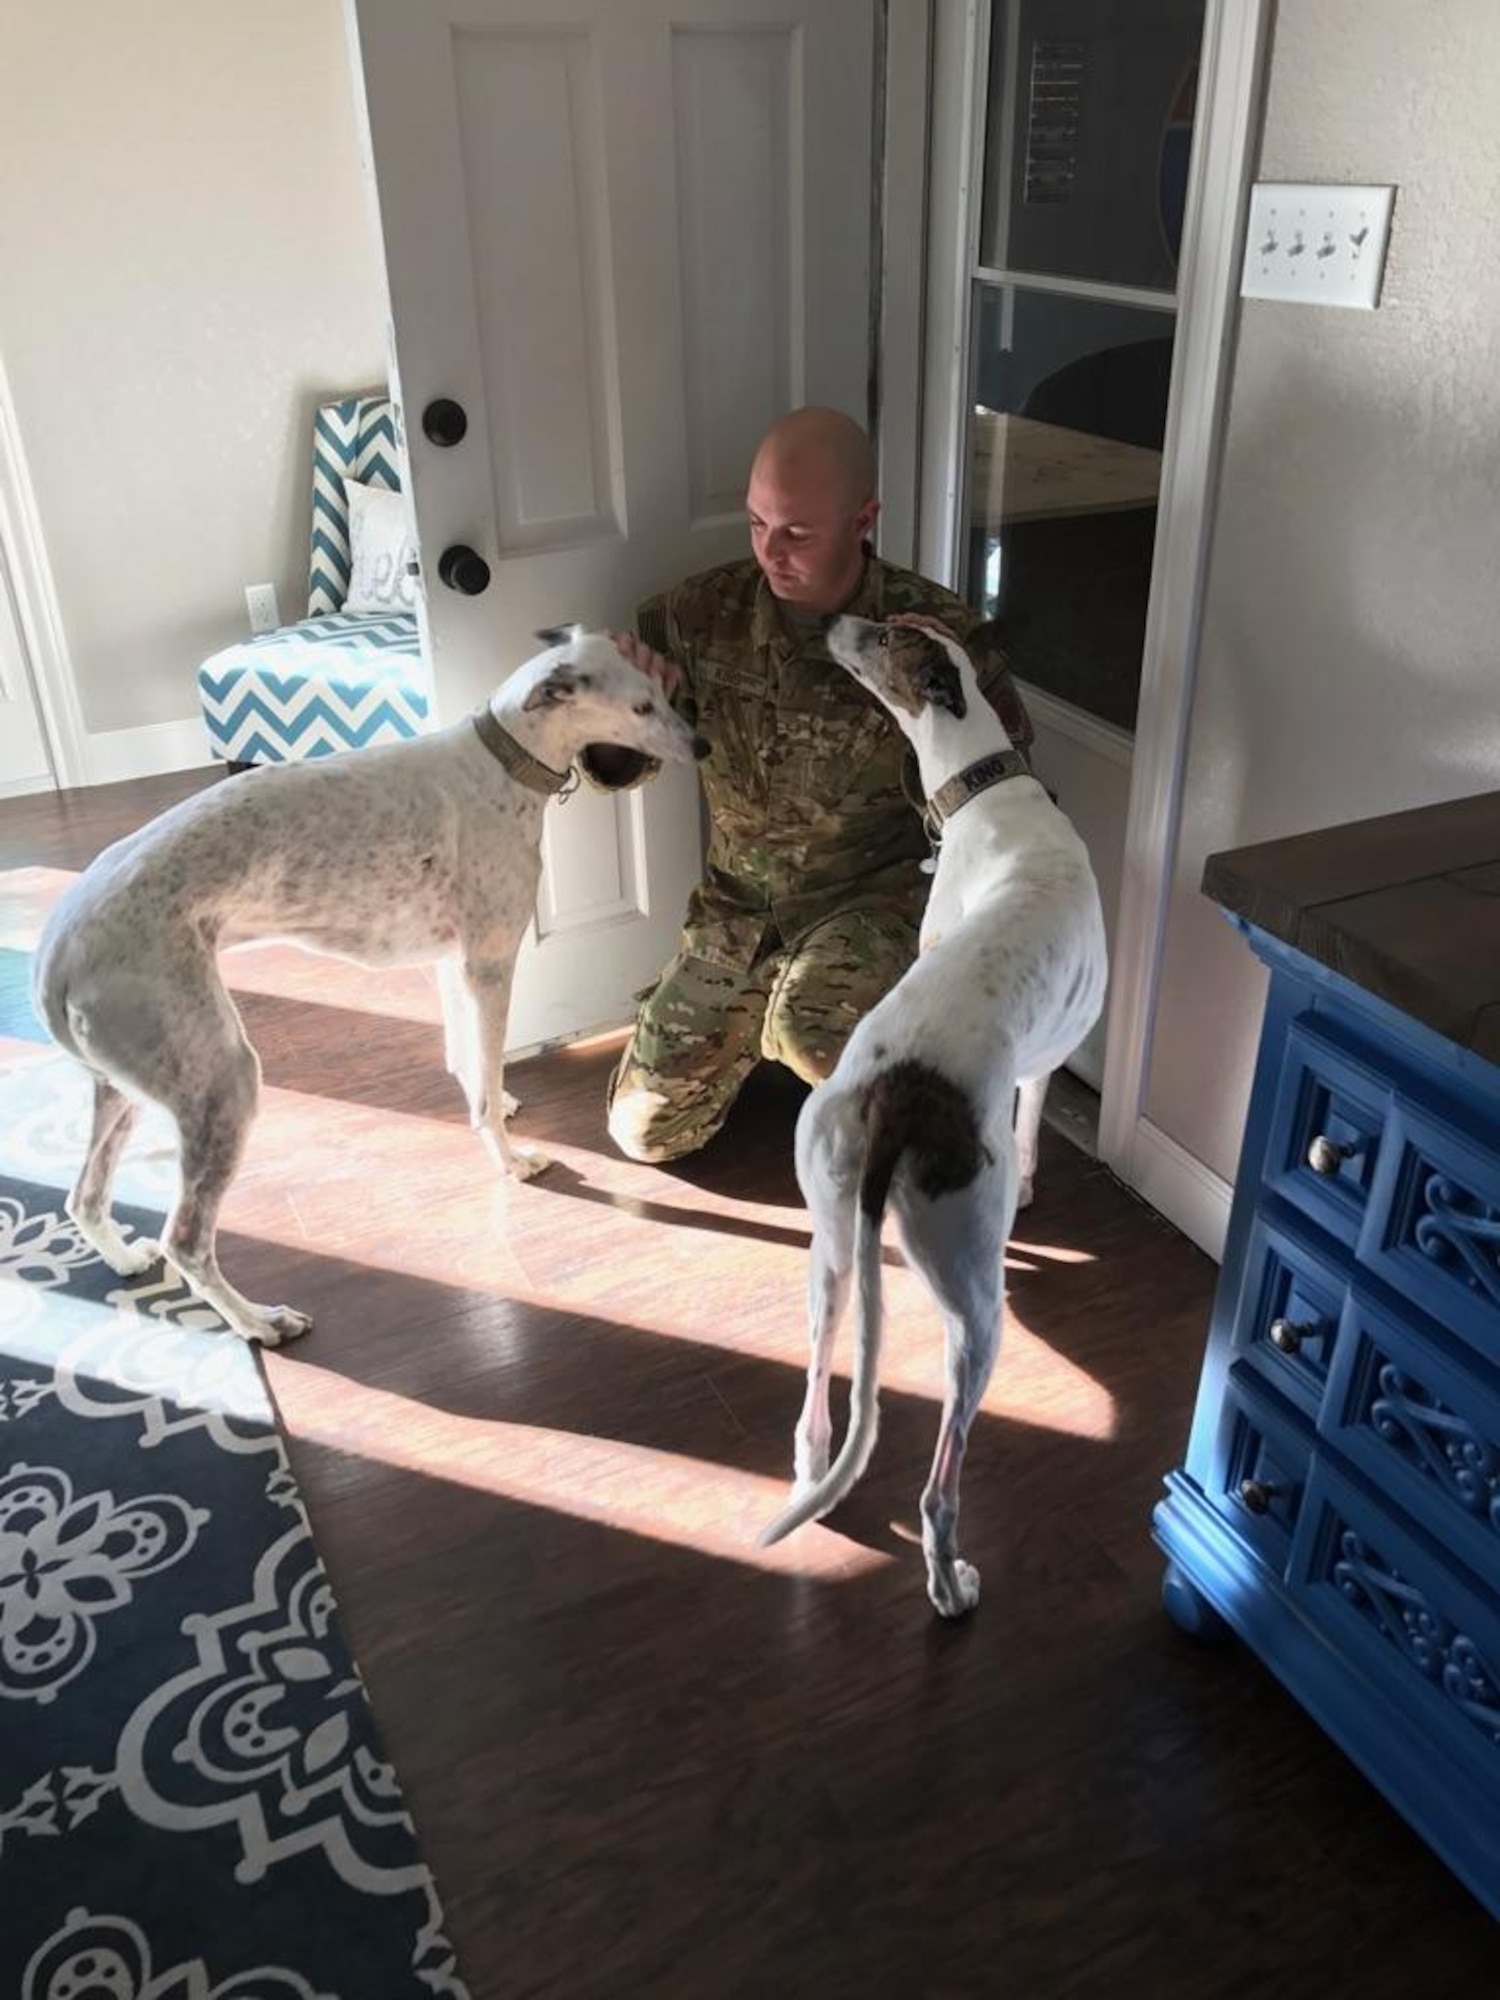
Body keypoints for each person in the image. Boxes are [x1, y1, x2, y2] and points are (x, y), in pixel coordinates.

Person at [596, 406, 1034, 1164]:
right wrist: (623, 713)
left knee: (817, 1038)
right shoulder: (697, 617)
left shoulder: (931, 638)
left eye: (797, 532)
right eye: (757, 523)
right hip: (741, 913)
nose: (771, 551)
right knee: (643, 1134)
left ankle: (817, 1030)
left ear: (863, 521)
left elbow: (1004, 793)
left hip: (872, 907)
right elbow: (621, 768)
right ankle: (769, 1016)